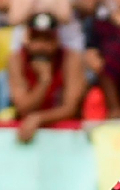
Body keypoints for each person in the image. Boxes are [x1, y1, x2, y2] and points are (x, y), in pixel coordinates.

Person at [8, 12, 85, 141]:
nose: (41, 45)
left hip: (62, 133)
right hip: (27, 131)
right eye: (36, 38)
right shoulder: (17, 60)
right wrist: (44, 82)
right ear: (28, 39)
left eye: (47, 39)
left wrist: (39, 118)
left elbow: (71, 108)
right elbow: (22, 108)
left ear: (56, 39)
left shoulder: (70, 59)